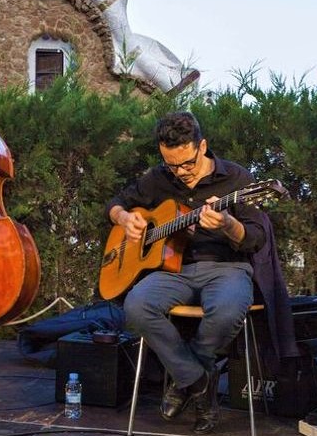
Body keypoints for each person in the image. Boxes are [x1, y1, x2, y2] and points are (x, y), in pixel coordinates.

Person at [108, 111, 295, 434]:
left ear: (202, 146)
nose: (180, 173)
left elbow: (255, 237)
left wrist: (227, 224)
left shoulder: (237, 180)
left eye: (187, 164)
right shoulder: (158, 178)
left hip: (226, 268)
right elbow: (115, 203)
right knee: (136, 306)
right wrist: (125, 219)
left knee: (226, 311)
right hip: (173, 270)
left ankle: (185, 381)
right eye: (172, 165)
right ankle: (198, 381)